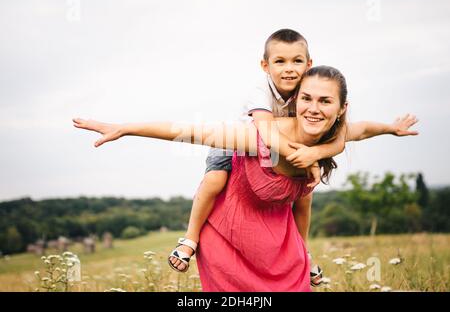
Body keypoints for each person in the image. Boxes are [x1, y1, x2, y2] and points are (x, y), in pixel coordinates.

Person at [73, 65, 418, 291]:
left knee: (305, 200)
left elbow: (364, 129)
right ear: (295, 100)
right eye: (307, 98)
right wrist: (127, 128)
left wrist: (391, 128)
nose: (314, 108)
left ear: (342, 108)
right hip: (230, 239)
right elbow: (191, 132)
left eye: (326, 101)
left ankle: (306, 254)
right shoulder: (260, 138)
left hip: (280, 247)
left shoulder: (336, 136)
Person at [167, 29, 345, 287]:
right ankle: (190, 238)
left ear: (309, 64)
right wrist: (307, 158)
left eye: (297, 61)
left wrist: (315, 155)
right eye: (279, 61)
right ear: (265, 65)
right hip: (238, 142)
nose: (289, 69)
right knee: (214, 180)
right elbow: (267, 134)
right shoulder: (260, 92)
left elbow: (344, 133)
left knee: (304, 196)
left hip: (278, 149)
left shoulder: (307, 93)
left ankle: (303, 253)